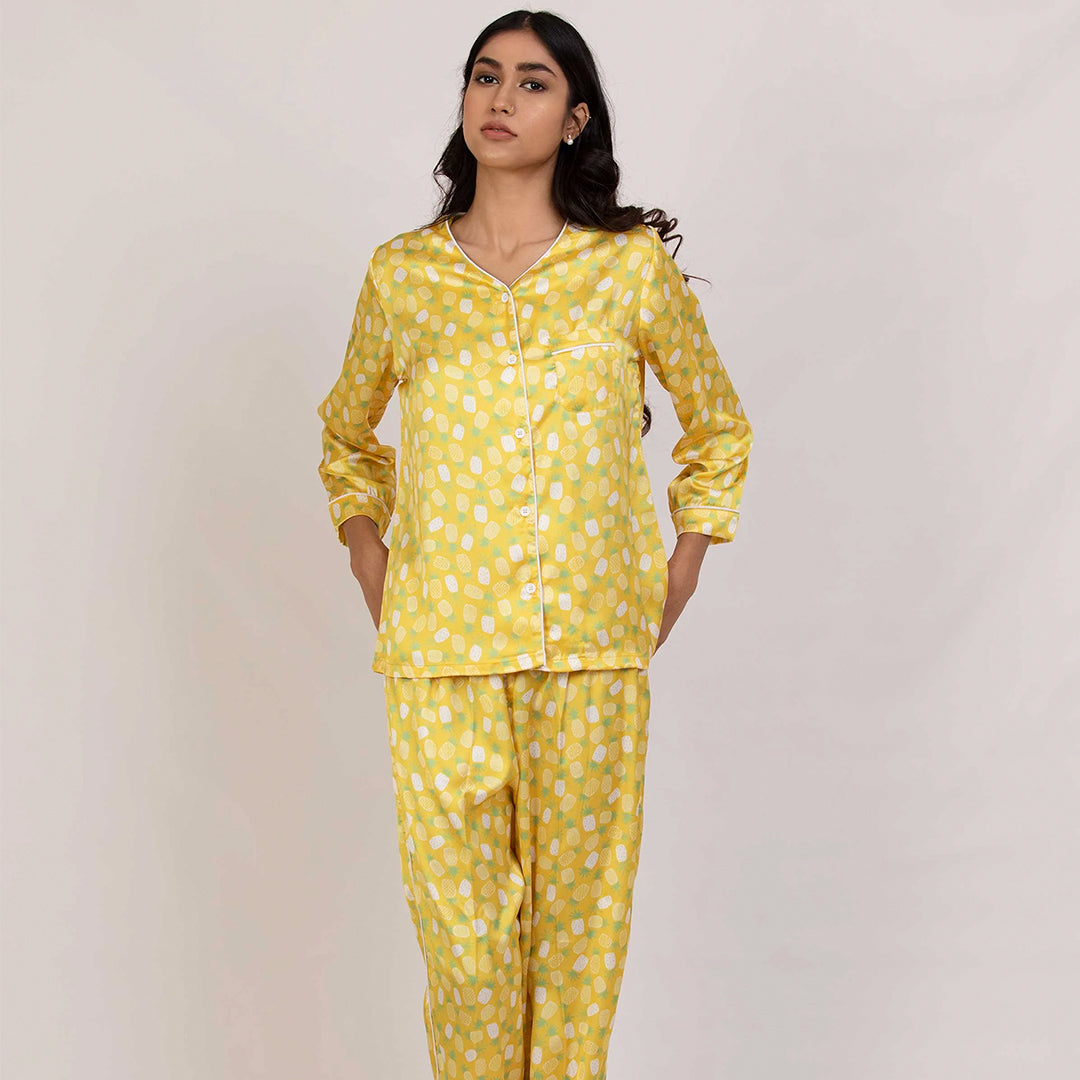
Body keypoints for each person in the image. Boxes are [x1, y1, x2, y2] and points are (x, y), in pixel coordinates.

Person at [315, 10, 753, 1078]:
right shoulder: (403, 276)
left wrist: (682, 568)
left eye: (532, 82)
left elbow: (717, 427)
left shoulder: (626, 268)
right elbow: (347, 438)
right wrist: (373, 561)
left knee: (575, 951)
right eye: (485, 76)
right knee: (468, 957)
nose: (501, 99)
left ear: (576, 118)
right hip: (440, 657)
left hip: (594, 655)